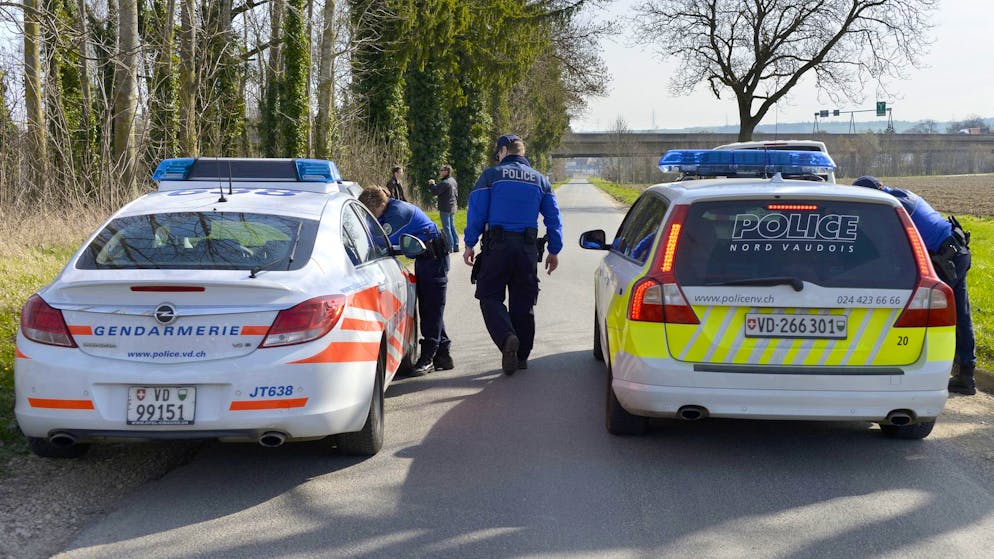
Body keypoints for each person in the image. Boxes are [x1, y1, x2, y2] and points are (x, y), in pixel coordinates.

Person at [852, 176, 976, 395]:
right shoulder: (902, 195)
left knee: (925, 313)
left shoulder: (891, 208)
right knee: (960, 315)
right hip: (956, 252)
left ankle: (921, 369)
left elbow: (892, 249)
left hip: (946, 259)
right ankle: (966, 374)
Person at [462, 134, 563, 375]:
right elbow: (553, 218)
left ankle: (507, 337)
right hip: (527, 249)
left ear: (504, 151)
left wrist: (469, 243)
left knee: (489, 296)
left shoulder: (491, 175)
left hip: (497, 247)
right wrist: (554, 250)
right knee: (523, 301)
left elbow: (477, 211)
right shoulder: (541, 180)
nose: (497, 157)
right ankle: (521, 357)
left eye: (498, 153)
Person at [358, 186, 452, 376]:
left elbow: (378, 243)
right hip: (425, 257)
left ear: (380, 204)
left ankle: (428, 357)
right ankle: (442, 354)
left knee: (430, 308)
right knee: (430, 305)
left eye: (371, 212)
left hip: (433, 259)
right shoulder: (388, 210)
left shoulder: (397, 214)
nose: (371, 217)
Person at [430, 165, 460, 252]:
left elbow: (435, 191)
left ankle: (449, 246)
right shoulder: (453, 181)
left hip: (445, 207)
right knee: (452, 226)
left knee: (446, 227)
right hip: (452, 206)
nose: (440, 172)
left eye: (442, 170)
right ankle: (456, 245)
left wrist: (432, 184)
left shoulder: (445, 182)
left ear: (446, 172)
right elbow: (456, 194)